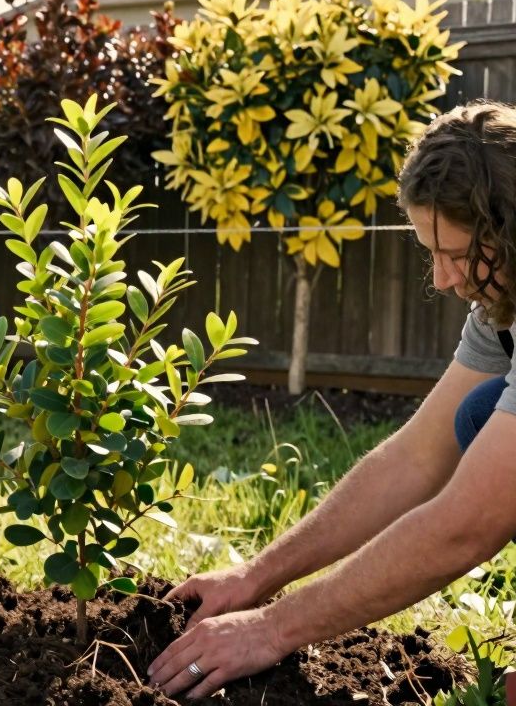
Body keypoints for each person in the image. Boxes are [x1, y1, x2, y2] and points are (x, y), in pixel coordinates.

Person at [148, 101, 516, 700]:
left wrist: (270, 629)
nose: (443, 279)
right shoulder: (500, 301)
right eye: (432, 253)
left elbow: (467, 523)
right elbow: (416, 459)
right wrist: (255, 577)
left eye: (457, 254)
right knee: (478, 415)